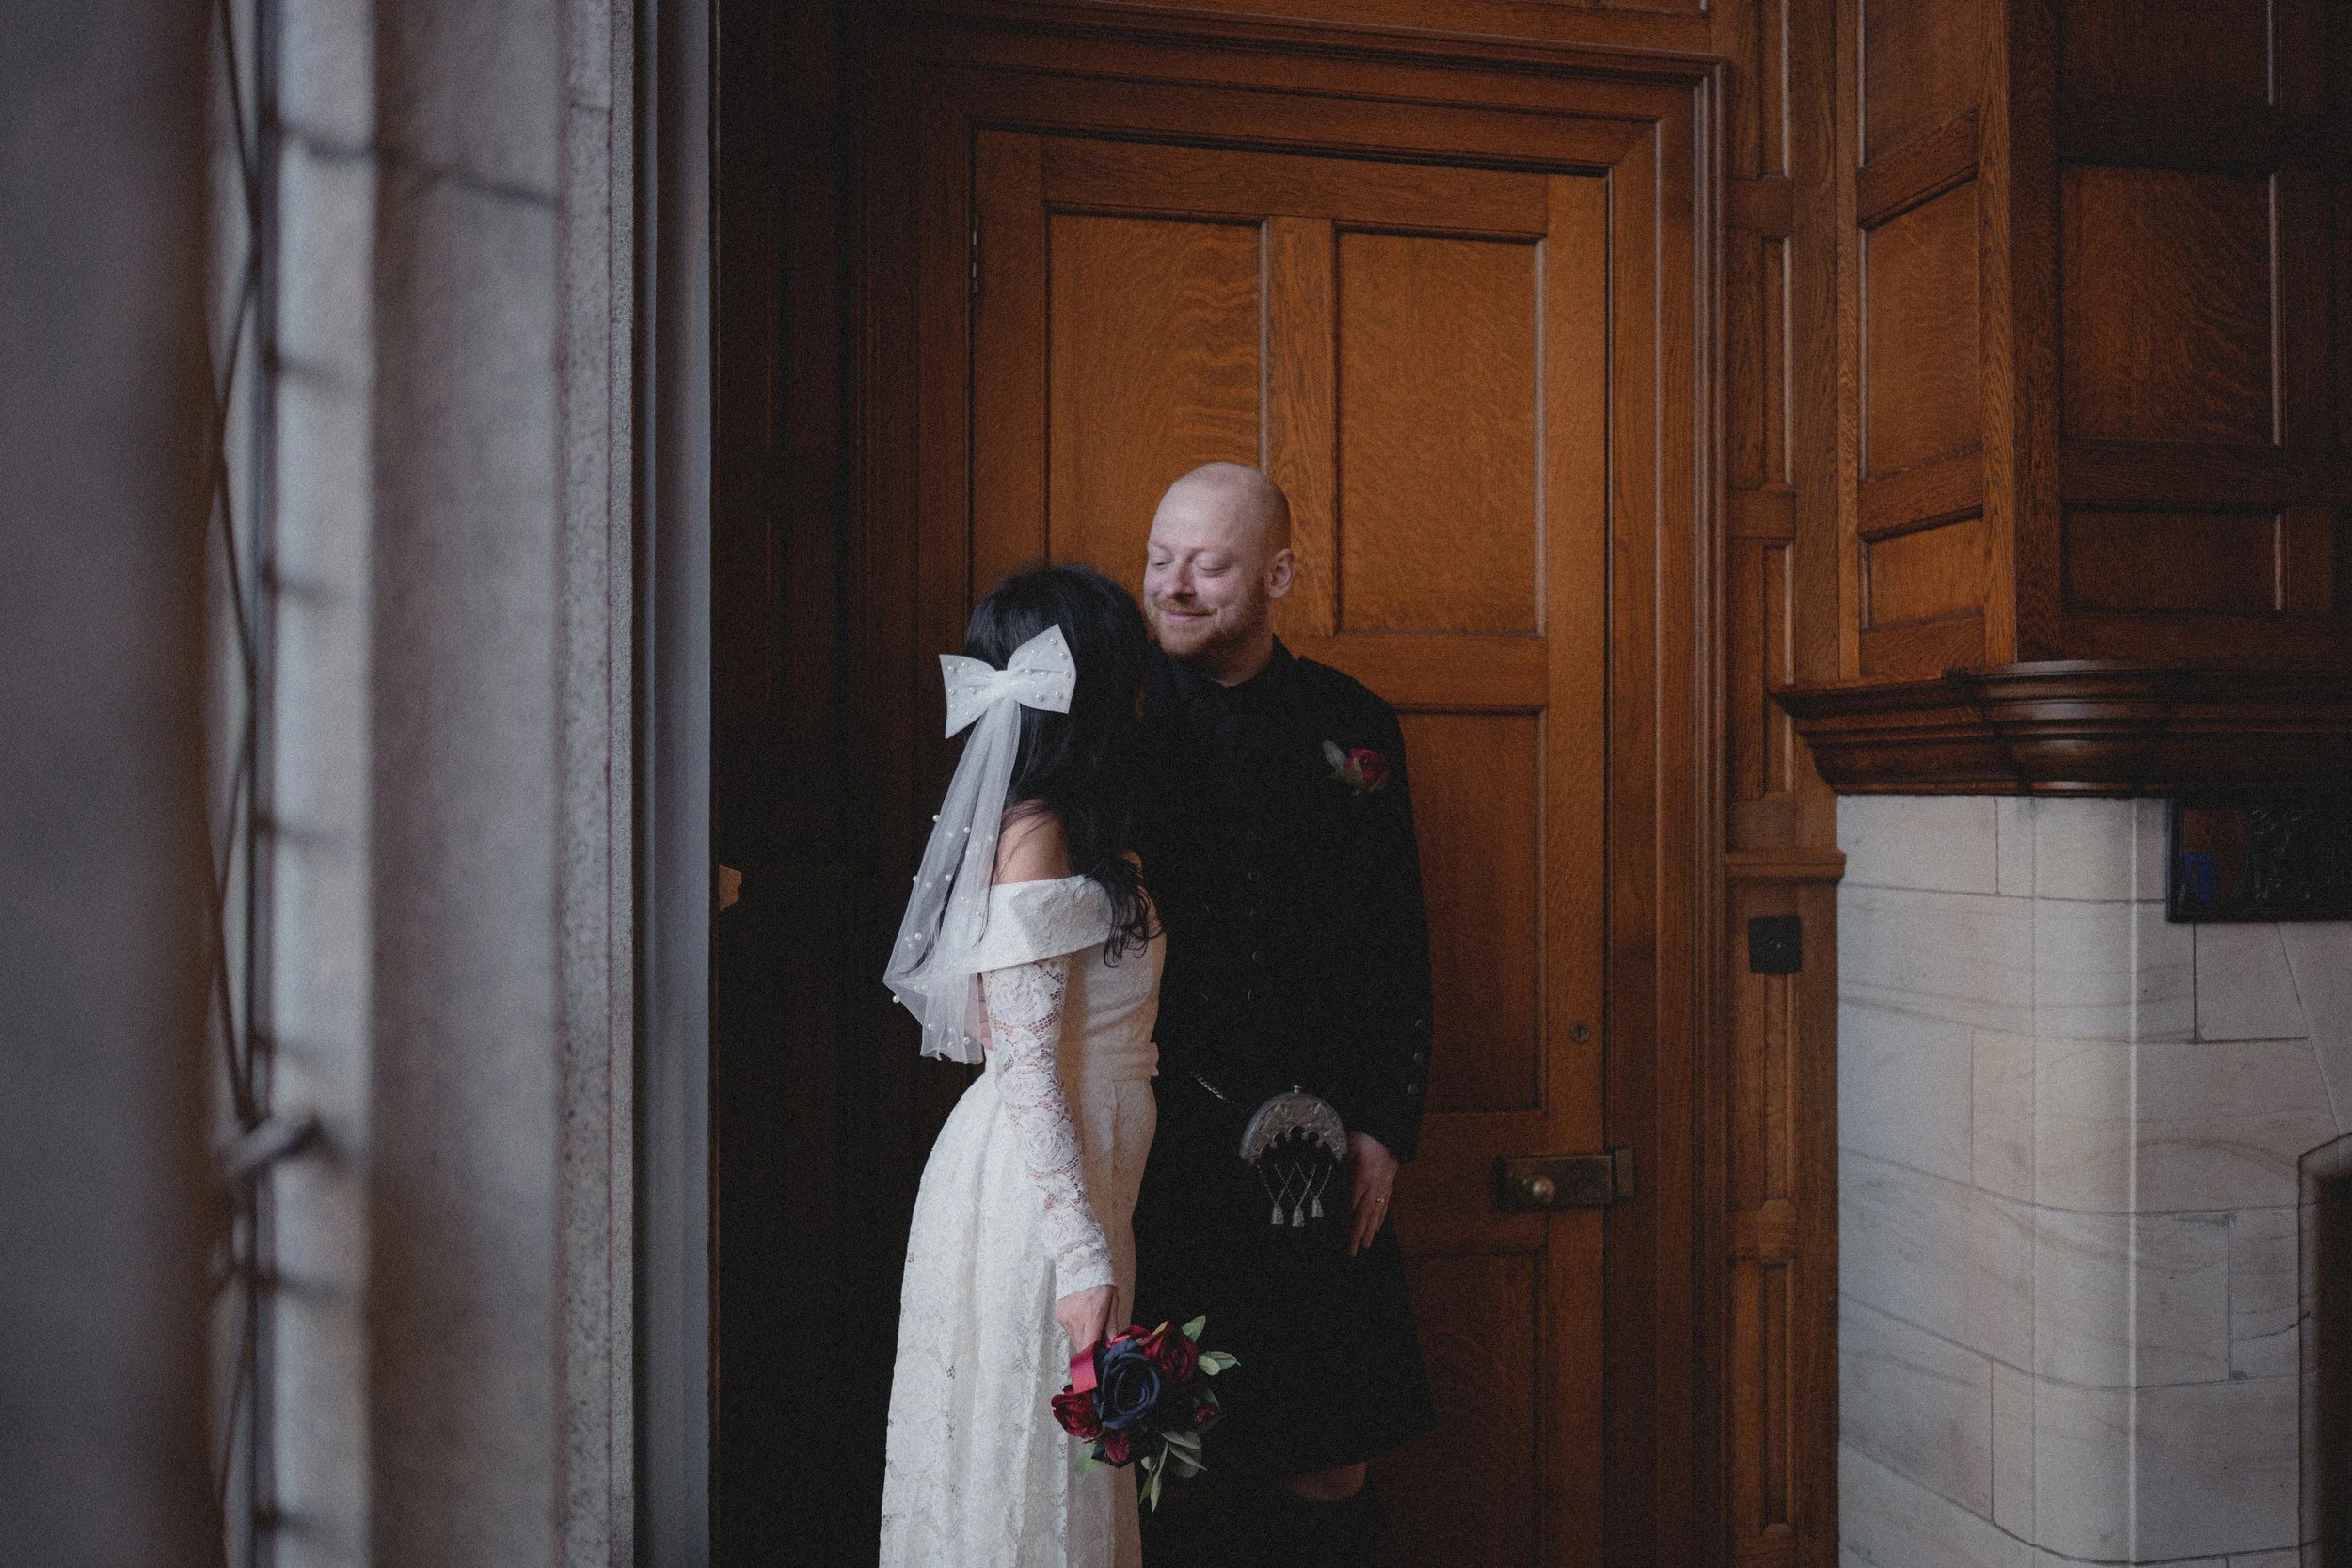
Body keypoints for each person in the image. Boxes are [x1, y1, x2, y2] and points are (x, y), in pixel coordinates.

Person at [1129, 463, 1437, 1567]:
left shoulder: (1350, 722)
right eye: (1161, 557)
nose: (1175, 583)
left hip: (1316, 1148)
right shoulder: (1110, 712)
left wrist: (1384, 1127)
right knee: (1151, 1455)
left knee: (1325, 1454)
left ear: (1278, 572)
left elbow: (1396, 941)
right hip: (1152, 1147)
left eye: (1208, 563)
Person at [880, 564, 1163, 1568]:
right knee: (1036, 1468)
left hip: (1085, 1171)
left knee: (1058, 1469)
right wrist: (1081, 1256)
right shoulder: (1035, 838)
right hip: (1041, 1191)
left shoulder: (1064, 825)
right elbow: (1028, 1066)